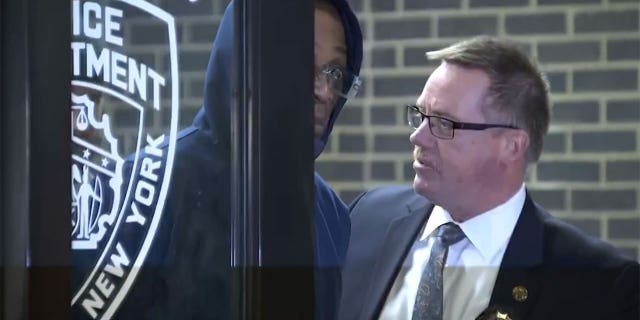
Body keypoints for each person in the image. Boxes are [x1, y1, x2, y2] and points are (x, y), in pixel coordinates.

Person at [339, 37, 639, 320]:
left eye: (443, 123)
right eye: (420, 115)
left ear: (511, 146)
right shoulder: (366, 218)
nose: (418, 136)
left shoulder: (600, 284)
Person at [112, 0, 363, 319]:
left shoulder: (331, 215)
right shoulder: (146, 188)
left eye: (336, 71)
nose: (325, 91)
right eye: (301, 60)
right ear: (245, 60)